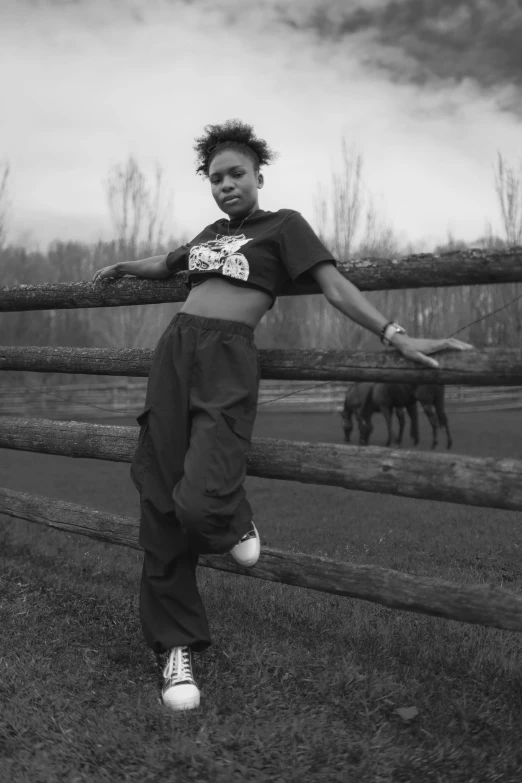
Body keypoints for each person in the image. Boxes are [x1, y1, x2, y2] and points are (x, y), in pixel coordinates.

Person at [93, 119, 472, 712]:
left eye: (235, 174)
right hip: (175, 352)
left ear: (258, 176)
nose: (225, 185)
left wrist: (394, 334)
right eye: (215, 178)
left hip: (227, 358)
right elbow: (167, 264)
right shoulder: (211, 234)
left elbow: (335, 286)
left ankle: (233, 518)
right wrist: (122, 268)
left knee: (197, 501)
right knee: (161, 502)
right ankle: (175, 649)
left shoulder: (284, 226)